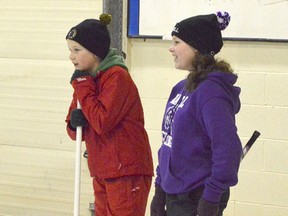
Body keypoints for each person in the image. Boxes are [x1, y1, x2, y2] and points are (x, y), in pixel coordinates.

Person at [150, 11, 243, 216]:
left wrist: (211, 196)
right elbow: (169, 143)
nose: (171, 48)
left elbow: (227, 149)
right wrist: (160, 189)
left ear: (196, 48)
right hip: (175, 192)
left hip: (196, 196)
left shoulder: (211, 93)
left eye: (177, 42)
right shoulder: (181, 88)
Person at [65, 14, 154, 216]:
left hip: (125, 171)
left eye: (77, 50)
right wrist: (73, 123)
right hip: (103, 170)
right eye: (70, 50)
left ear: (95, 52)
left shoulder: (117, 77)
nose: (71, 56)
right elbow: (75, 132)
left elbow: (102, 122)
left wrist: (82, 86)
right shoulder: (86, 79)